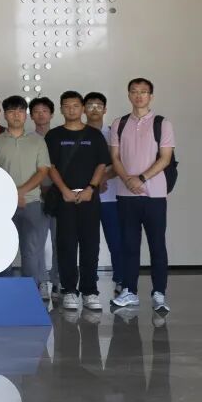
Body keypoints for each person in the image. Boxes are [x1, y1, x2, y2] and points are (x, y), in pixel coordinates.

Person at [110, 78, 175, 312]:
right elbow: (115, 157)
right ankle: (130, 291)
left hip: (154, 195)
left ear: (151, 96)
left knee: (157, 245)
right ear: (129, 95)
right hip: (125, 194)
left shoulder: (162, 123)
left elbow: (165, 158)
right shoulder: (119, 123)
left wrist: (142, 178)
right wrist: (128, 180)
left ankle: (159, 293)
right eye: (134, 92)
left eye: (144, 92)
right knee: (129, 245)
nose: (139, 96)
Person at [45, 91, 110, 311]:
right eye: (67, 106)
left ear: (82, 108)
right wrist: (64, 190)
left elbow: (101, 164)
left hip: (89, 198)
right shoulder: (54, 136)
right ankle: (69, 290)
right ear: (61, 109)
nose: (71, 109)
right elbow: (51, 166)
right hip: (64, 198)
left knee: (90, 244)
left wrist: (91, 188)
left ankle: (90, 291)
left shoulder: (94, 135)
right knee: (66, 245)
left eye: (75, 105)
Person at [0, 96, 52, 300]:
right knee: (3, 251)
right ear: (4, 115)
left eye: (20, 111)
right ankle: (2, 294)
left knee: (31, 251)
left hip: (32, 202)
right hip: (3, 206)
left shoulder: (37, 140)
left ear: (26, 115)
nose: (16, 115)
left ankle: (30, 295)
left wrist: (20, 192)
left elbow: (43, 171)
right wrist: (11, 195)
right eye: (11, 111)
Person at [84, 91, 123, 295]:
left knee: (116, 240)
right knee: (89, 242)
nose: (94, 109)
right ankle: (89, 280)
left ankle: (121, 279)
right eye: (90, 105)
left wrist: (102, 179)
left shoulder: (113, 133)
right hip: (85, 196)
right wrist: (92, 184)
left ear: (105, 109)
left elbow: (120, 163)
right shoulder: (78, 132)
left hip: (110, 198)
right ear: (84, 109)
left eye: (98, 105)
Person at [30, 95, 59, 293]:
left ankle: (58, 281)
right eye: (36, 111)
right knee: (36, 243)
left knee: (59, 241)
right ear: (31, 116)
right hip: (37, 196)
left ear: (52, 114)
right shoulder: (28, 139)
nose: (41, 115)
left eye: (45, 111)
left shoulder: (60, 136)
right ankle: (40, 281)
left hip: (58, 196)